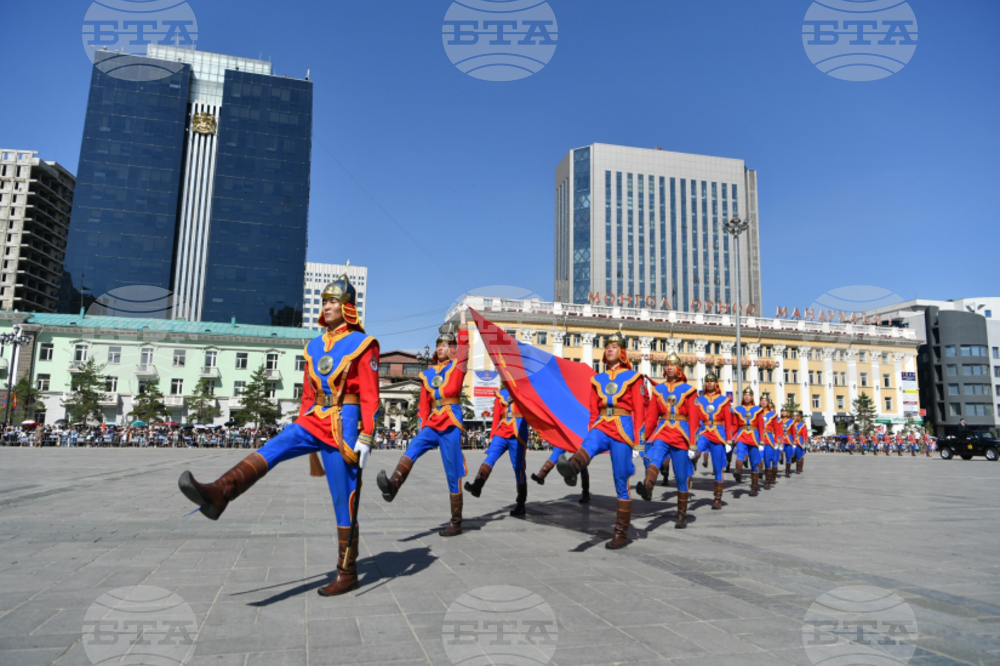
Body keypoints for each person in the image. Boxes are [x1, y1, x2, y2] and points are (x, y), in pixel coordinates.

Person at [178, 270, 378, 597]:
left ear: (347, 307)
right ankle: (220, 492)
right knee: (276, 445)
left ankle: (348, 571)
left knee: (344, 500)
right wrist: (302, 424)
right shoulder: (313, 345)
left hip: (346, 421)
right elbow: (309, 393)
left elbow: (370, 394)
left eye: (332, 301)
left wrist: (367, 436)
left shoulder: (364, 343)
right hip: (315, 418)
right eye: (324, 301)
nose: (326, 306)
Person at [377, 320, 469, 537]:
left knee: (452, 471)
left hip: (451, 423)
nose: (440, 347)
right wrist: (423, 422)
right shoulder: (427, 374)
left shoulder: (457, 367)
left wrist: (463, 324)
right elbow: (424, 403)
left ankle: (456, 522)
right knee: (413, 447)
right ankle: (393, 485)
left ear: (453, 349)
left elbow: (465, 348)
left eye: (446, 344)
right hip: (432, 423)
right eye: (439, 344)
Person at [555, 329, 645, 549]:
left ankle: (621, 532)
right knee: (590, 443)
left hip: (623, 430)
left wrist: (638, 442)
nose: (610, 349)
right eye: (607, 346)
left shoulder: (634, 378)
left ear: (622, 352)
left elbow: (640, 412)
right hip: (602, 424)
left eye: (614, 346)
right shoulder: (597, 379)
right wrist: (590, 430)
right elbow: (593, 410)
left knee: (620, 481)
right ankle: (573, 467)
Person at [637, 352, 696, 528]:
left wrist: (693, 443)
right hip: (662, 432)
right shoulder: (658, 390)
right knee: (654, 457)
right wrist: (641, 441)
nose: (669, 367)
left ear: (678, 368)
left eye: (672, 364)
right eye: (666, 365)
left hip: (681, 435)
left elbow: (693, 419)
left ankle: (681, 515)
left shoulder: (689, 390)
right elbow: (651, 419)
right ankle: (648, 487)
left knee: (680, 476)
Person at [465, 381, 529, 516]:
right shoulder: (501, 394)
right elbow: (496, 418)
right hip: (501, 432)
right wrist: (492, 436)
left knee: (518, 467)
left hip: (518, 432)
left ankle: (521, 503)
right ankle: (477, 485)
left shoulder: (527, 392)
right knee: (490, 457)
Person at [693, 373, 733, 510]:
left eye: (712, 381)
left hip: (719, 433)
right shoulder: (699, 400)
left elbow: (728, 421)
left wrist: (729, 440)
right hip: (704, 431)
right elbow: (695, 419)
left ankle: (717, 498)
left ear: (716, 383)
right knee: (697, 448)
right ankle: (695, 458)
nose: (709, 383)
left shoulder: (724, 400)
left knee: (717, 467)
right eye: (707, 381)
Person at [731, 387, 763, 496]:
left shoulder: (758, 409)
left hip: (754, 436)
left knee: (754, 462)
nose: (746, 397)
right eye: (745, 395)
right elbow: (734, 425)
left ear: (752, 397)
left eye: (749, 395)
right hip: (741, 434)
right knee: (740, 453)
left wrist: (762, 441)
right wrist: (733, 438)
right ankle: (738, 471)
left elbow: (761, 426)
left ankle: (754, 488)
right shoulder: (738, 409)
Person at [759, 393, 781, 490]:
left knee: (768, 460)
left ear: (768, 403)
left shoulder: (773, 415)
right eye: (761, 400)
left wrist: (777, 442)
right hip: (758, 439)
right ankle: (757, 476)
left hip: (769, 439)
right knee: (758, 459)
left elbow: (776, 429)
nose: (763, 402)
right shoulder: (756, 412)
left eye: (765, 400)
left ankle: (767, 481)